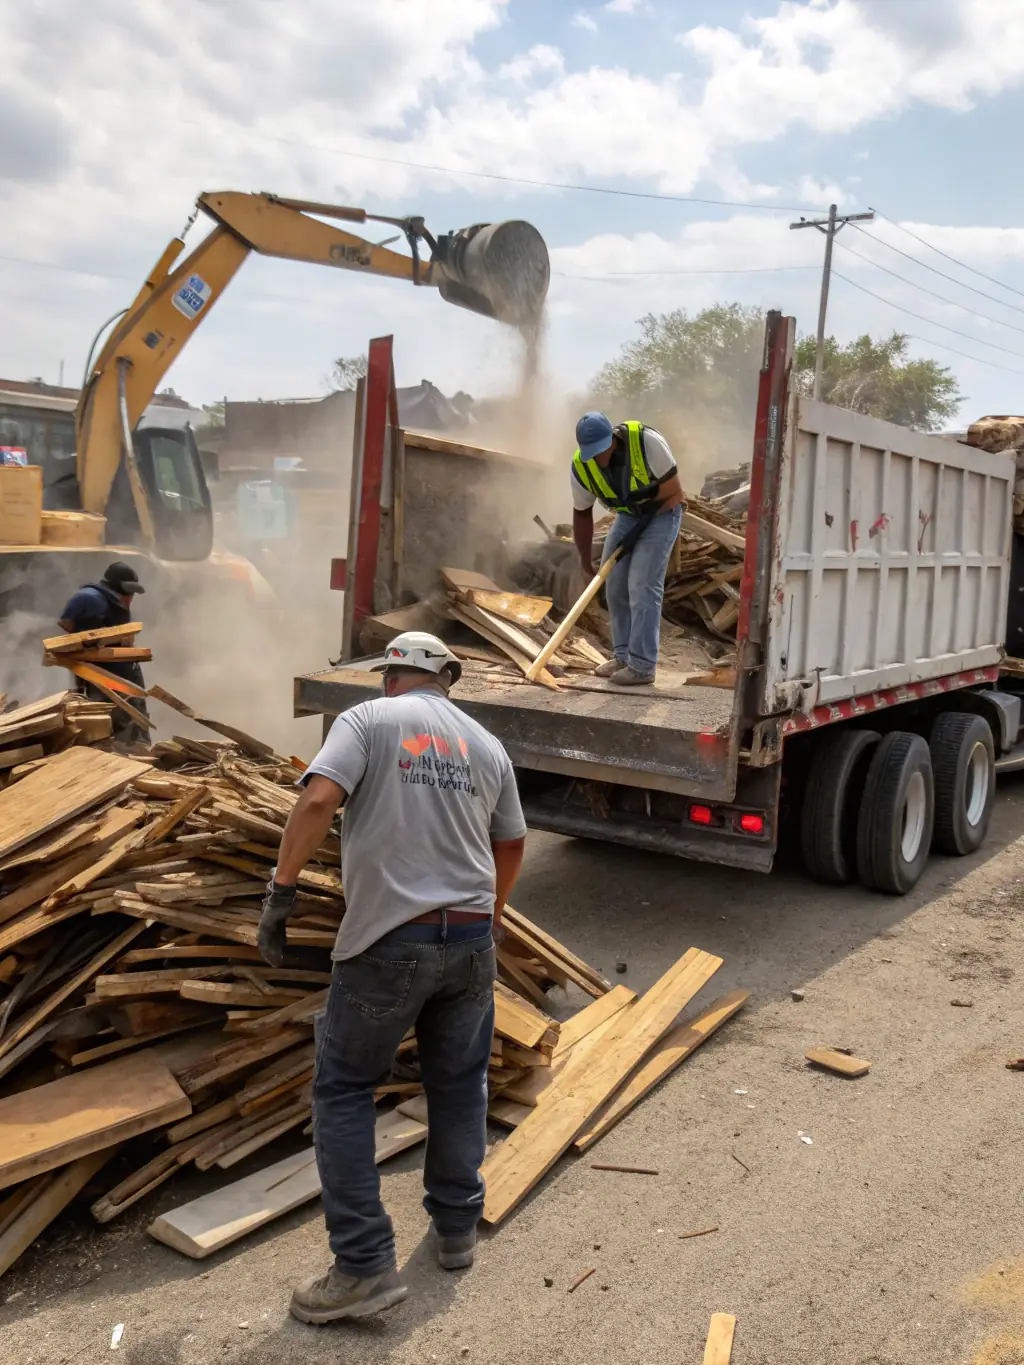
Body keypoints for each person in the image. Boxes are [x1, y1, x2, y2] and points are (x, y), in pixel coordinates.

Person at [258, 631, 528, 1325]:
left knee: (345, 1088)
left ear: (391, 676)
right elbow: (514, 841)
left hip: (388, 941)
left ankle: (362, 1265)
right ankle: (457, 1227)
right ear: (448, 681)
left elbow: (319, 800)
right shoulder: (485, 744)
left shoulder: (367, 721)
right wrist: (489, 917)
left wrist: (281, 893)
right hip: (470, 939)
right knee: (461, 1081)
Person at [571, 411, 686, 685]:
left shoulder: (646, 442)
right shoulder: (581, 469)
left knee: (642, 584)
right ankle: (622, 656)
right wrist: (585, 560)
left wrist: (641, 527)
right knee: (615, 584)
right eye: (593, 454)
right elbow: (582, 514)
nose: (600, 458)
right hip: (628, 516)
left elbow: (674, 491)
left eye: (603, 450)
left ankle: (643, 666)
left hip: (663, 513)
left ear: (612, 438)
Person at [57, 560, 149, 742]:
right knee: (123, 724)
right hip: (109, 678)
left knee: (109, 722)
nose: (130, 598)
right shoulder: (94, 600)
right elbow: (84, 634)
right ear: (115, 588)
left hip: (105, 675)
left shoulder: (88, 596)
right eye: (128, 593)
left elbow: (67, 625)